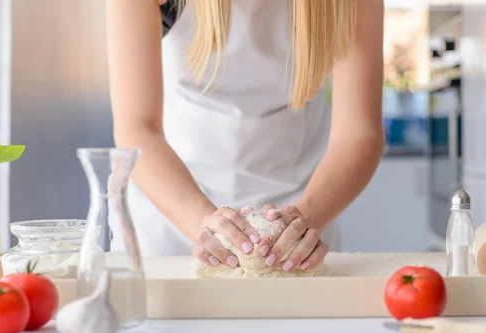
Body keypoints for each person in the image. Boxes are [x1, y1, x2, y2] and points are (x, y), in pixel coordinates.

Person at [105, 0, 385, 272]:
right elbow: (138, 129)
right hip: (171, 213)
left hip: (300, 209)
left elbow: (359, 132)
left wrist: (303, 221)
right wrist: (205, 223)